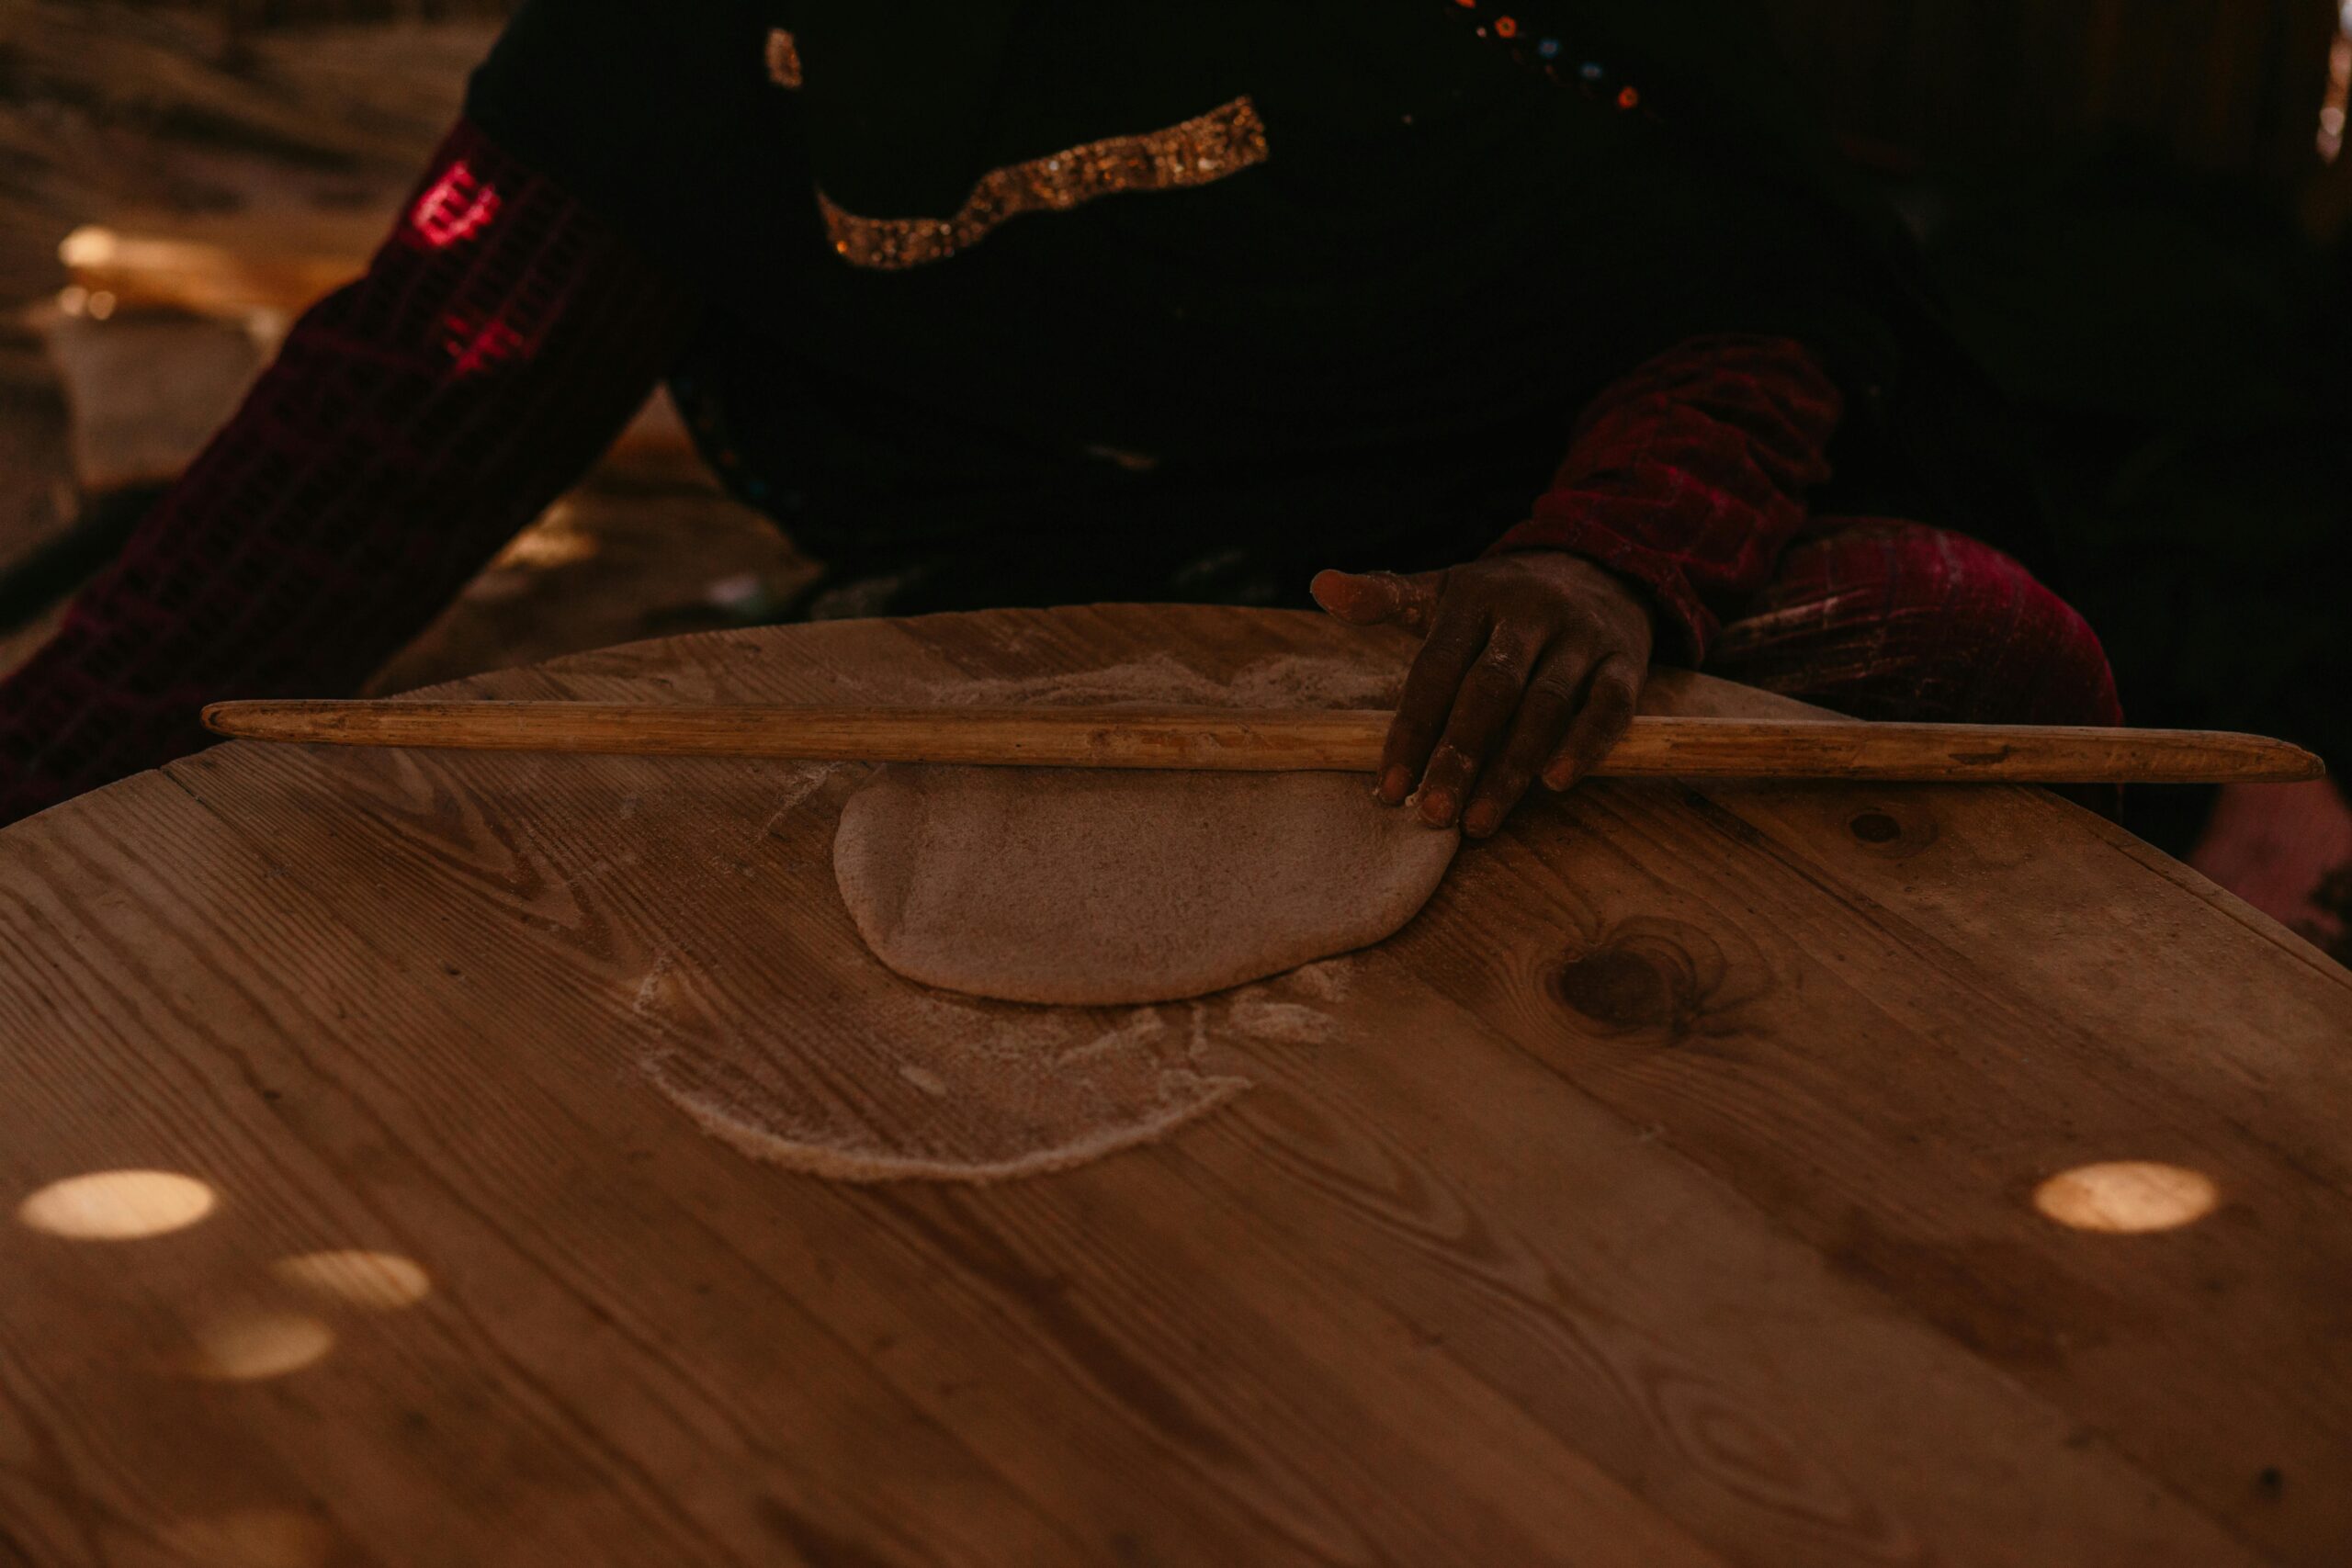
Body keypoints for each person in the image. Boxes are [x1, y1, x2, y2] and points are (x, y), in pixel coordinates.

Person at [0, 0, 2121, 836]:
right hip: (1044, 601)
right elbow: (379, 441)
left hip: (1483, 580)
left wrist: (1600, 561)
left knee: (1963, 645)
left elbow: (1733, 283)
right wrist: (34, 792)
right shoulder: (670, 55)